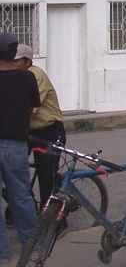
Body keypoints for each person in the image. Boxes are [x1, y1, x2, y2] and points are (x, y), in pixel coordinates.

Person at [0, 33, 39, 263]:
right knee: (22, 196)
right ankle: (31, 246)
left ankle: (2, 253)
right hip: (16, 144)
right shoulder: (27, 78)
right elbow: (33, 108)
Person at [14, 45, 64, 206]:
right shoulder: (16, 75)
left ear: (27, 61)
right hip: (28, 130)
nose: (12, 63)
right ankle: (18, 208)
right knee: (13, 169)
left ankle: (53, 218)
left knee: (46, 177)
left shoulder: (36, 75)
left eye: (16, 61)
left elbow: (30, 107)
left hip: (49, 131)